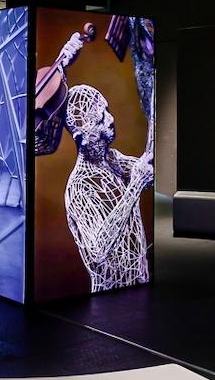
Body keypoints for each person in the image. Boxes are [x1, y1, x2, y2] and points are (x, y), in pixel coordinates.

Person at [62, 84, 154, 293]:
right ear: (82, 138)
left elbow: (147, 170)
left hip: (140, 281)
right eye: (100, 120)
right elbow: (97, 249)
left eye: (106, 110)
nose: (110, 119)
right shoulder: (78, 187)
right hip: (110, 293)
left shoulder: (113, 160)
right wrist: (135, 185)